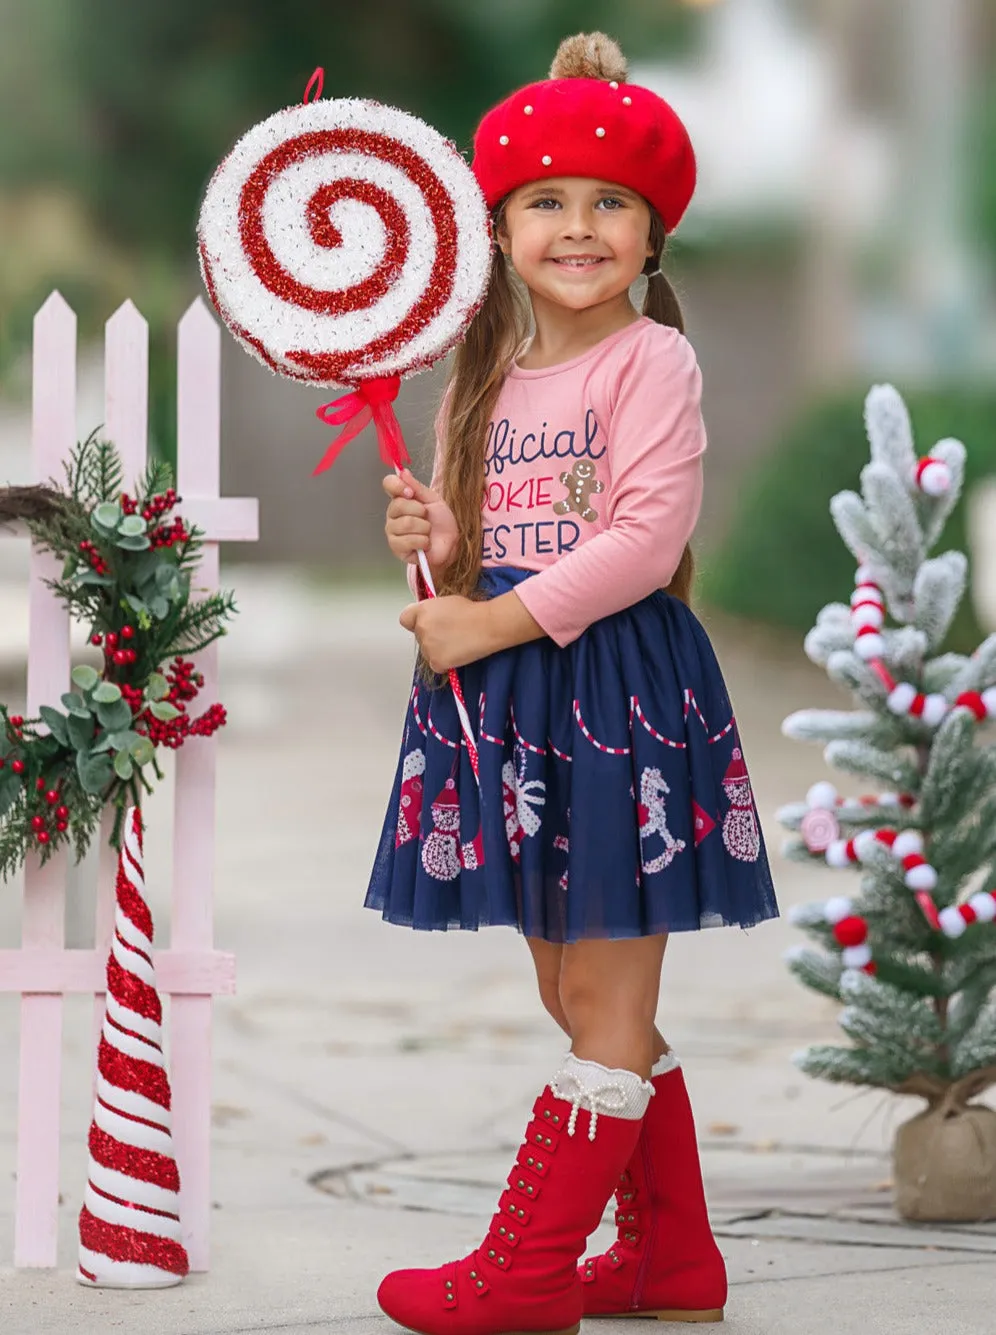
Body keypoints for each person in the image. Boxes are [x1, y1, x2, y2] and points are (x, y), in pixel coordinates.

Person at [366, 30, 778, 1335]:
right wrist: (436, 546)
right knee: (570, 985)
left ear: (654, 242)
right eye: (547, 201)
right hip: (516, 710)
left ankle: (529, 1269)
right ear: (500, 230)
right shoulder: (478, 377)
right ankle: (671, 1262)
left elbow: (642, 540)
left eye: (612, 204)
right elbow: (475, 547)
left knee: (608, 997)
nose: (580, 225)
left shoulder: (650, 360)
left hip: (617, 700)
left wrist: (484, 628)